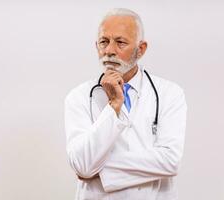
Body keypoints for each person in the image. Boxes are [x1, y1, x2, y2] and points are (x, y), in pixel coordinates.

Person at [64, 8, 187, 200]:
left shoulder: (170, 93)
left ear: (141, 49)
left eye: (120, 42)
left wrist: (101, 171)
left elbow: (170, 162)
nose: (109, 51)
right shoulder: (78, 97)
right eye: (104, 42)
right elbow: (82, 164)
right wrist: (113, 106)